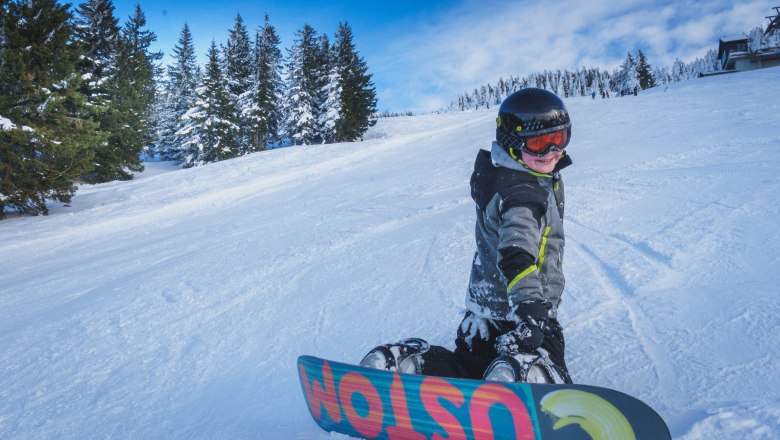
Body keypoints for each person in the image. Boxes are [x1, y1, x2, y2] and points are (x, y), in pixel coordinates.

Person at [360, 88, 573, 384]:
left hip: (481, 317)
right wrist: (531, 310)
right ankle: (522, 374)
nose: (552, 152)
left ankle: (411, 365)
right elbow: (516, 251)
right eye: (539, 144)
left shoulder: (504, 175)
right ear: (512, 143)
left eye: (559, 139)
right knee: (550, 365)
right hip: (523, 315)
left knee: (466, 370)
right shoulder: (524, 194)